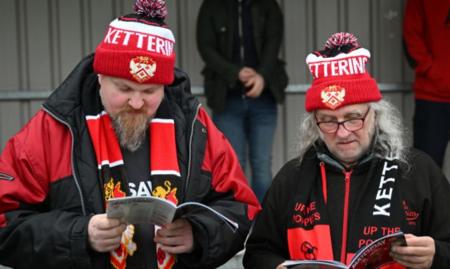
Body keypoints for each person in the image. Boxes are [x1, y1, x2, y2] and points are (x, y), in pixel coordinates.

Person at [0, 1, 261, 268]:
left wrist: (199, 234)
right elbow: (5, 223)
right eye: (124, 88)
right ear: (100, 76)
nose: (136, 103)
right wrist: (80, 233)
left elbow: (242, 211)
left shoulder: (195, 125)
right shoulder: (54, 127)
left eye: (150, 91)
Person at [243, 32, 450, 269]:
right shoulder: (293, 177)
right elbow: (257, 254)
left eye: (353, 118)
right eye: (328, 120)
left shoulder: (417, 171)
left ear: (375, 115)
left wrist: (437, 255)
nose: (342, 132)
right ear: (314, 123)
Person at [403, 0, 450, 247]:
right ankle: (425, 232)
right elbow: (410, 35)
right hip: (432, 96)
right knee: (425, 167)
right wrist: (429, 68)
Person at [196, 0, 289, 202]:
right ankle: (237, 223)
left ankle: (262, 225)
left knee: (262, 165)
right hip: (226, 97)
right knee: (231, 165)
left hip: (264, 96)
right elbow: (205, 47)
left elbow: (274, 43)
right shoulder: (212, 5)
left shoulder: (268, 5)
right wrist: (234, 72)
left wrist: (261, 76)